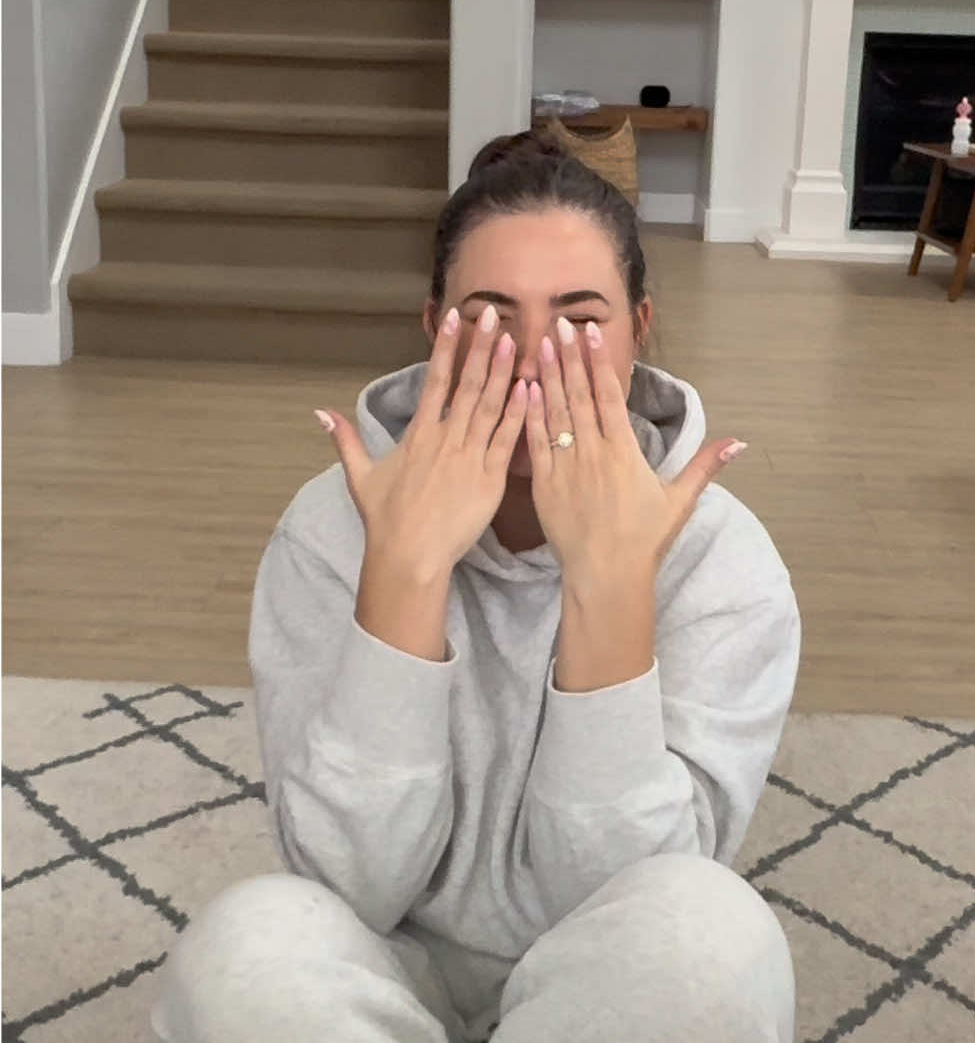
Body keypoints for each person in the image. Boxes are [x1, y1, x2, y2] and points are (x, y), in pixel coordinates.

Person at [150, 129, 802, 1043]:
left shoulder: (724, 560)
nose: (535, 361)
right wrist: (405, 572)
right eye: (492, 317)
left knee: (715, 934)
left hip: (603, 990)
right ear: (434, 327)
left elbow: (631, 899)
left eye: (580, 320)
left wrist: (607, 586)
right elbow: (348, 886)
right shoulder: (327, 528)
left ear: (639, 330)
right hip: (385, 965)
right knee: (243, 942)